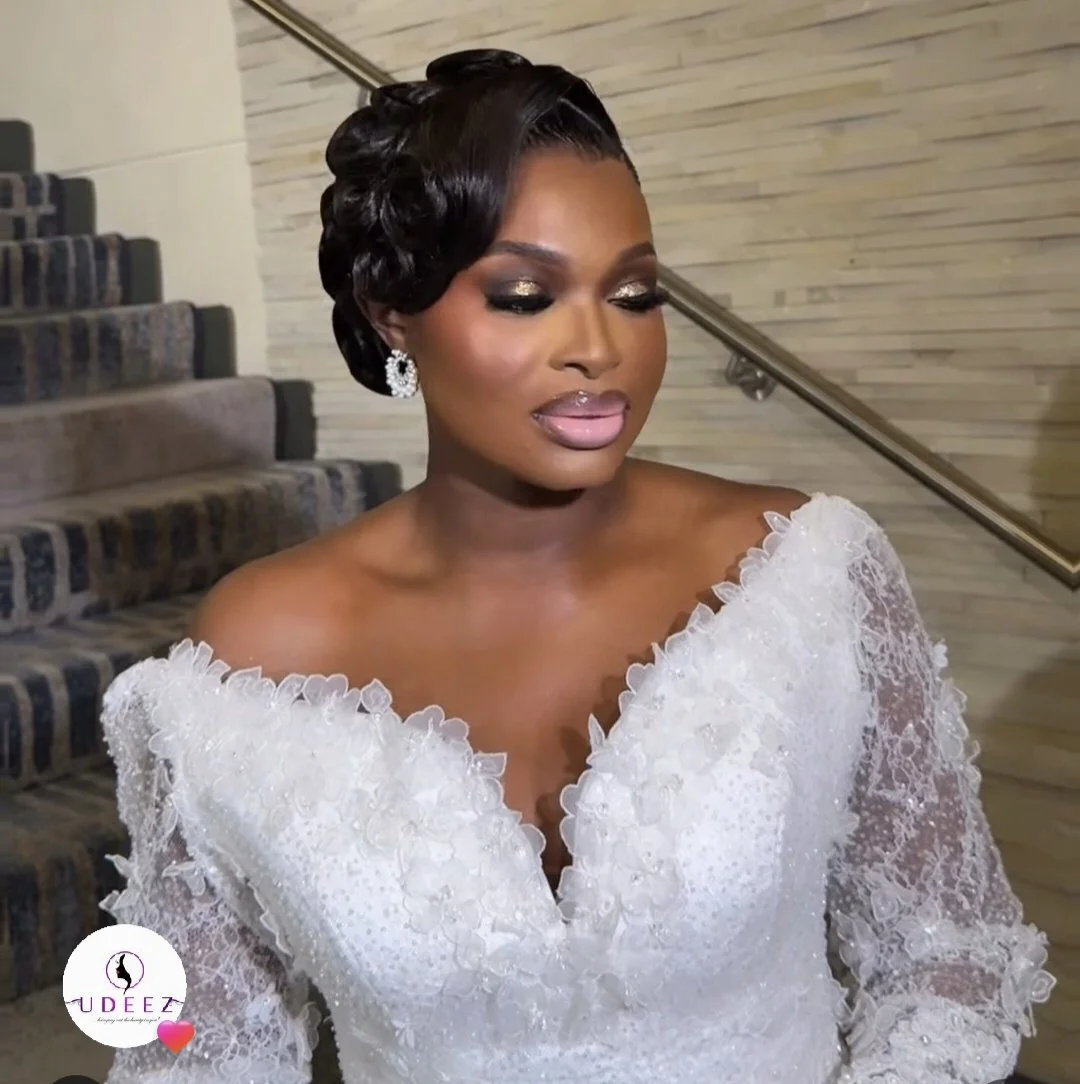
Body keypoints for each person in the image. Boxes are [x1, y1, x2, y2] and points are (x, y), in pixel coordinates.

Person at [98, 48, 1053, 1084]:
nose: (600, 346)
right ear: (391, 311)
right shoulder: (243, 664)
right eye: (524, 295)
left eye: (635, 293)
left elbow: (949, 958)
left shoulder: (806, 573)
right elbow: (189, 1048)